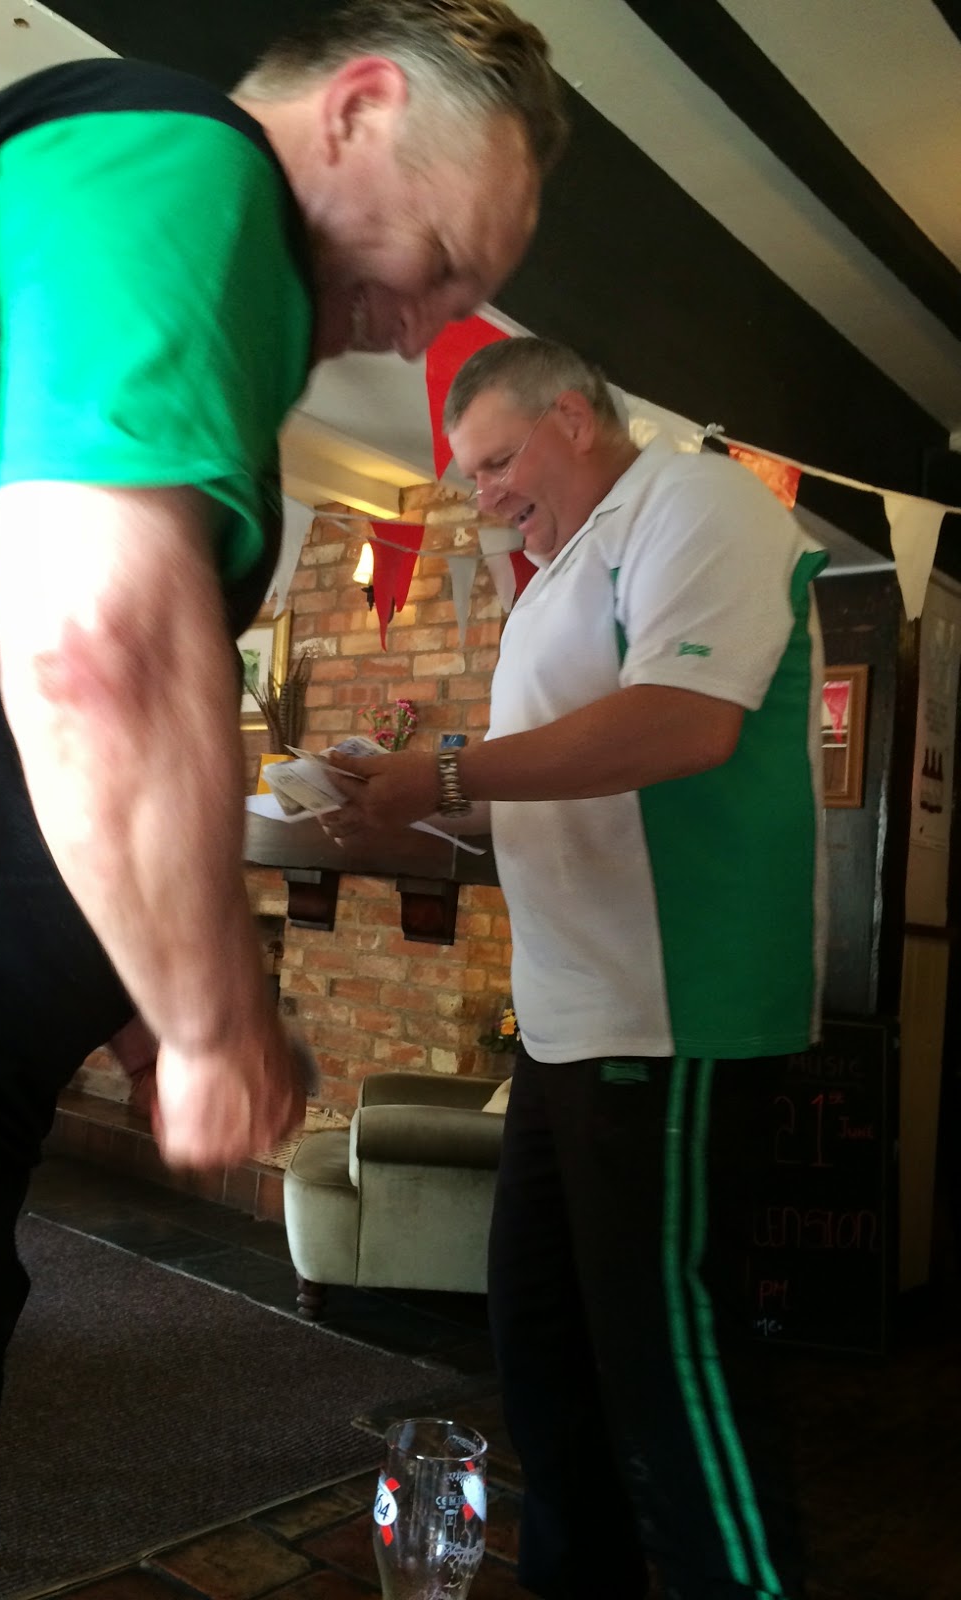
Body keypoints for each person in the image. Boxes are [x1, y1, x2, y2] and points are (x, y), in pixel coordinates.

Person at [0, 8, 567, 1596]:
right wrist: (209, 1023)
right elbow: (96, 641)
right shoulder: (183, 160)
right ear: (362, 106)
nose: (417, 333)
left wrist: (132, 991)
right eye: (442, 265)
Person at [328, 336, 828, 1600]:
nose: (484, 494)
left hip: (671, 1010)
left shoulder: (695, 502)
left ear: (572, 415)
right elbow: (547, 798)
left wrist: (444, 770)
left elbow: (684, 723)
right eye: (471, 474)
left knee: (672, 1368)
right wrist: (408, 809)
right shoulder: (554, 577)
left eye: (498, 461)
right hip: (566, 1022)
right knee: (544, 1354)